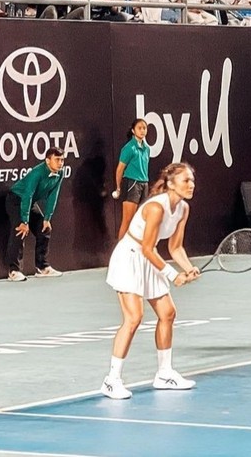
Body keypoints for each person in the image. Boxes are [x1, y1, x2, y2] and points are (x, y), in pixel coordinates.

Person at [102, 162, 200, 399]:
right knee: (134, 318)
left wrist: (188, 268)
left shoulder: (183, 209)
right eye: (186, 180)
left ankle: (164, 374)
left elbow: (175, 247)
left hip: (149, 256)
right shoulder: (156, 208)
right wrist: (172, 274)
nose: (191, 185)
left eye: (192, 181)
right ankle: (111, 380)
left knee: (168, 313)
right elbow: (146, 248)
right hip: (130, 257)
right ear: (170, 184)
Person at [5, 146, 65, 282]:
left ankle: (42, 267)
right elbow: (27, 195)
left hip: (30, 202)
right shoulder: (36, 173)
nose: (60, 163)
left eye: (62, 160)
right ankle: (13, 271)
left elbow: (53, 196)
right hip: (16, 199)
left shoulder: (60, 173)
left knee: (44, 229)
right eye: (57, 160)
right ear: (48, 161)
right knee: (20, 230)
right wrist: (24, 221)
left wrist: (47, 218)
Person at [113, 118, 151, 240]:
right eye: (139, 128)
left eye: (144, 128)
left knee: (141, 221)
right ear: (133, 131)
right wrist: (118, 187)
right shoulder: (129, 148)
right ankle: (120, 255)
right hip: (131, 183)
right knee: (128, 220)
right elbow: (120, 169)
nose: (142, 130)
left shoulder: (147, 149)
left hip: (144, 183)